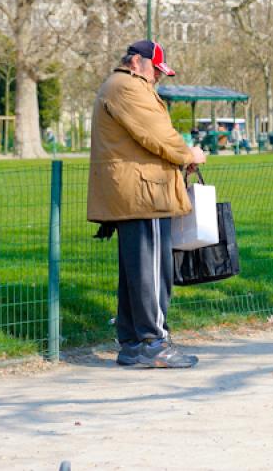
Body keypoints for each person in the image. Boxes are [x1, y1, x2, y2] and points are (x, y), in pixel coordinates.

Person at [87, 40, 206, 369]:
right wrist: (189, 154)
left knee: (136, 273)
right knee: (153, 271)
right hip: (145, 192)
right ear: (136, 62)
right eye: (154, 70)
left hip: (133, 190)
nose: (156, 77)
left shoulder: (118, 86)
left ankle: (133, 345)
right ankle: (153, 342)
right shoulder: (128, 87)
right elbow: (157, 135)